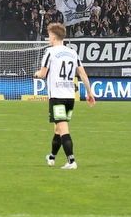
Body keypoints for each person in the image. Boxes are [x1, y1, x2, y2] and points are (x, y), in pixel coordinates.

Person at [34, 22, 96, 170]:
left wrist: (36, 74)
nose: (49, 38)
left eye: (49, 36)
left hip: (57, 97)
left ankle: (71, 160)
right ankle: (52, 157)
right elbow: (82, 74)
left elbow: (42, 74)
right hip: (69, 97)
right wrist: (89, 93)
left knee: (63, 129)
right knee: (58, 129)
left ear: (54, 37)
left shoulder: (50, 52)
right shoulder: (72, 53)